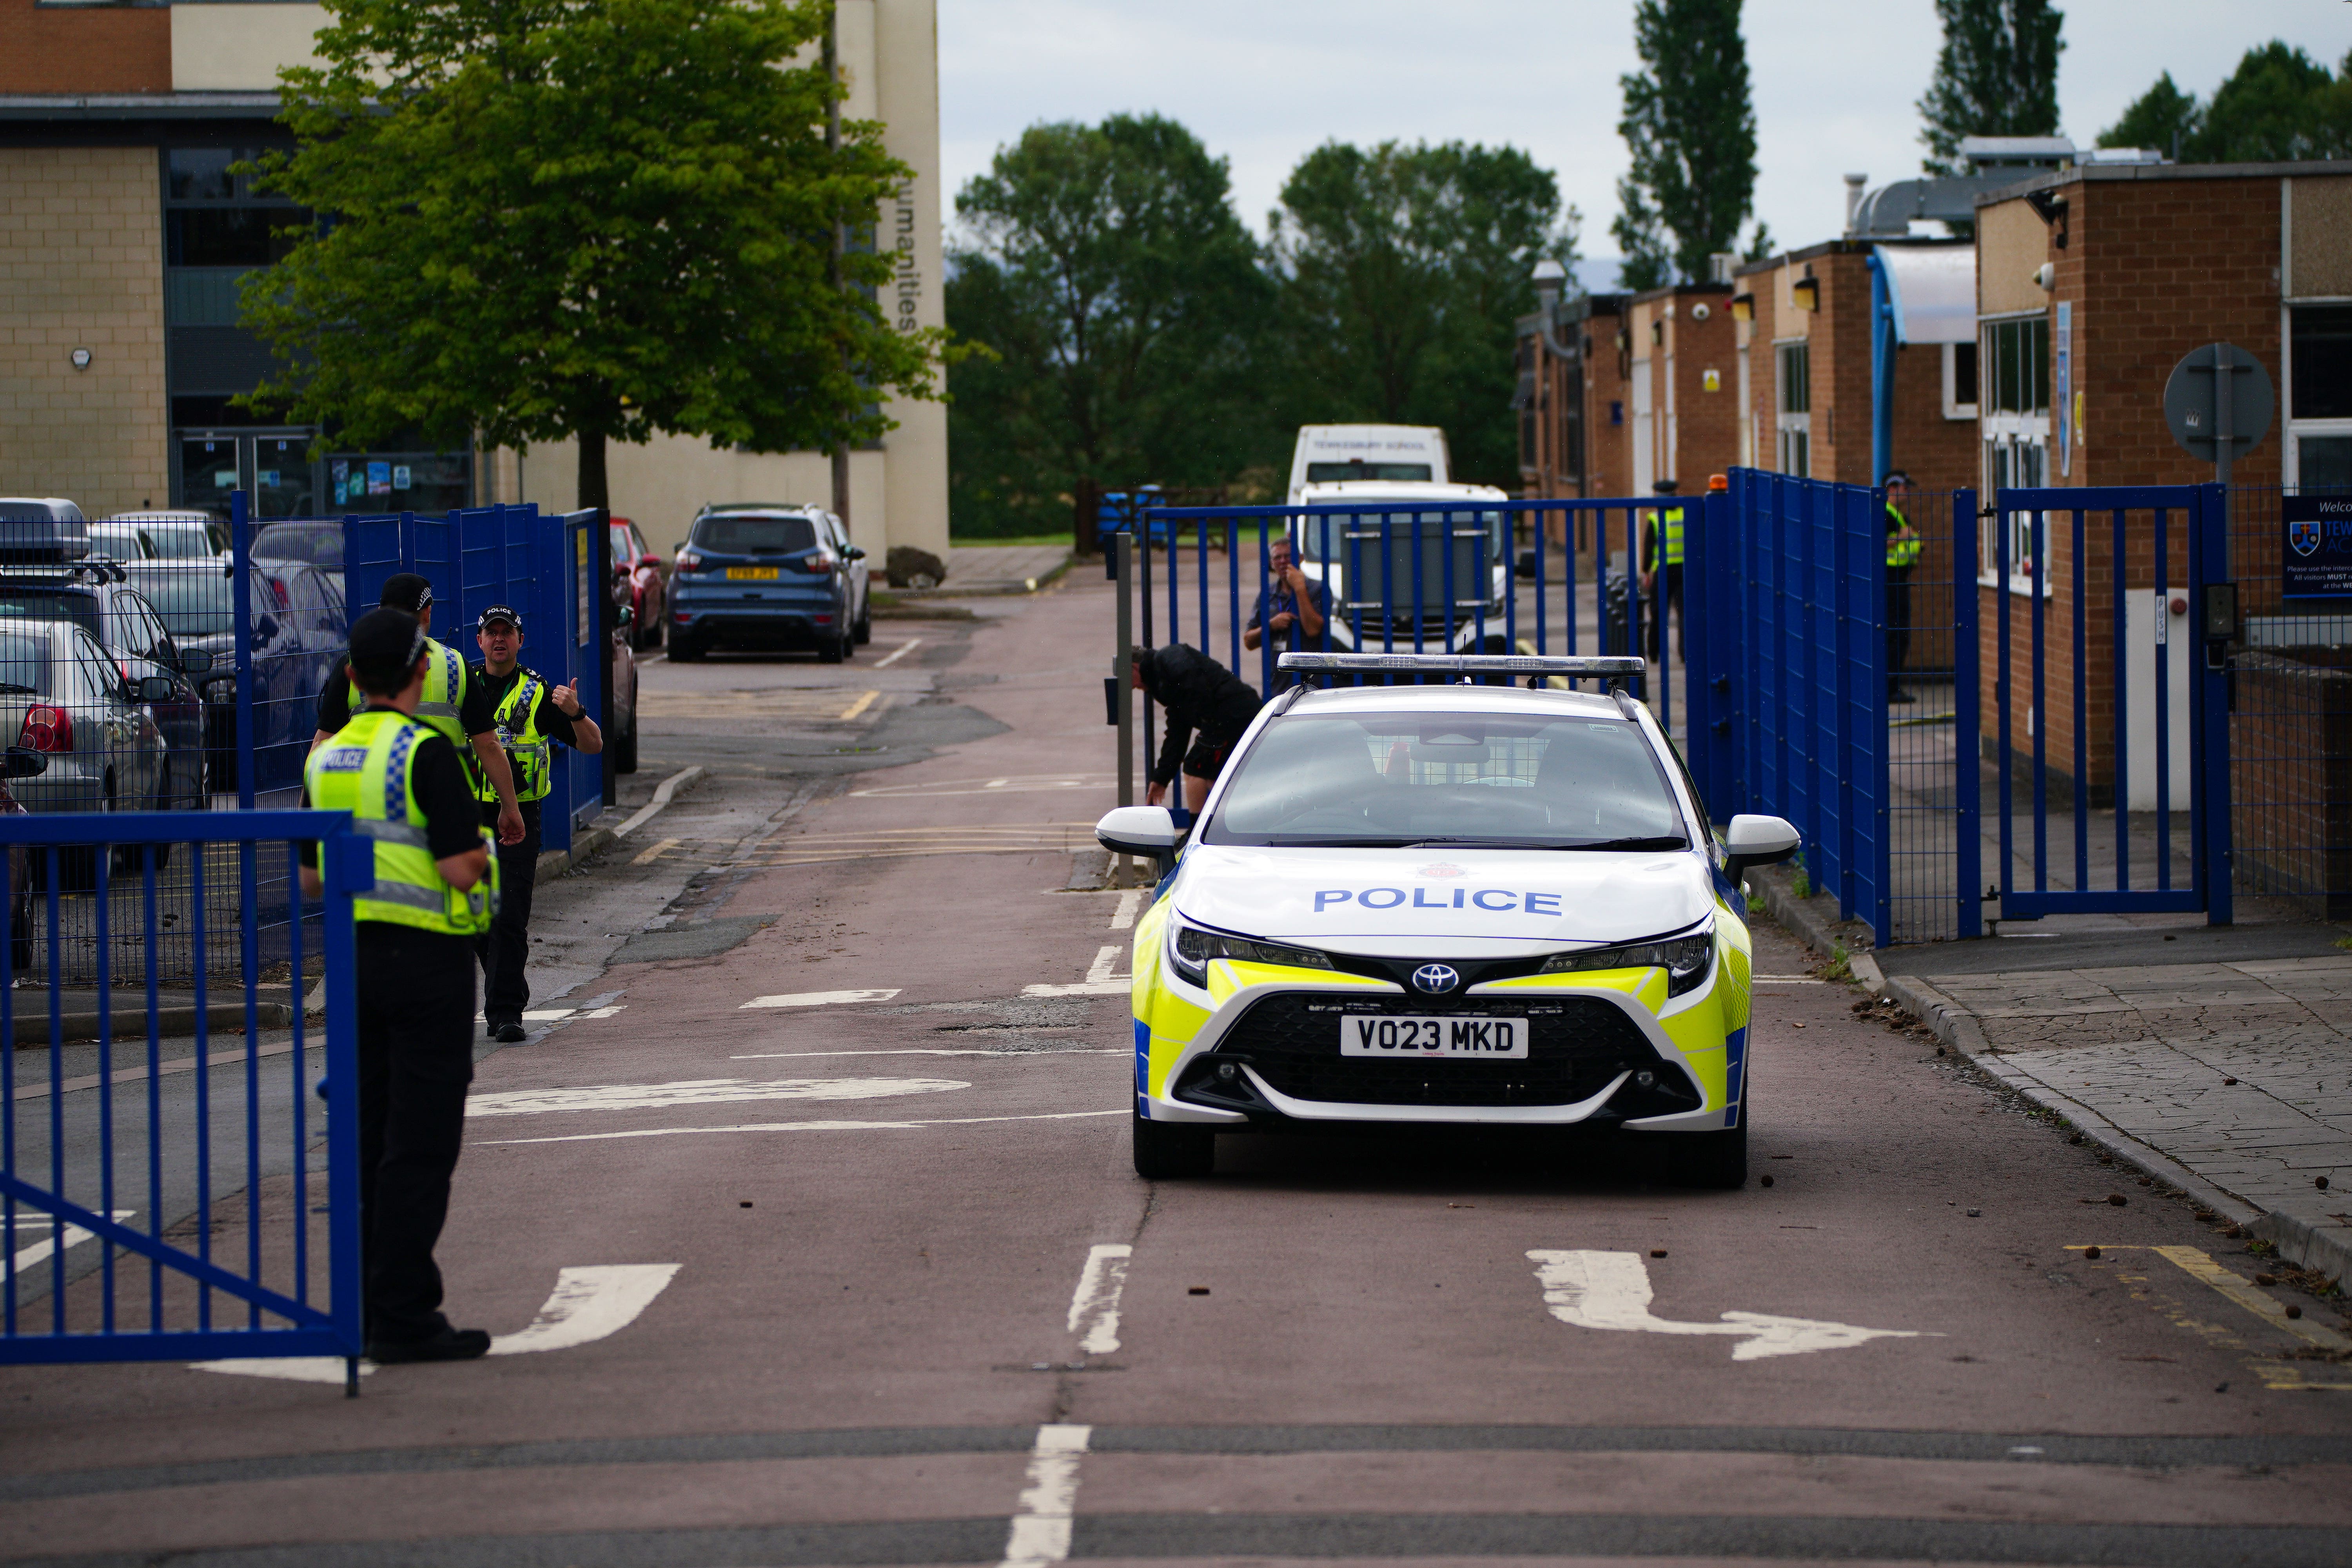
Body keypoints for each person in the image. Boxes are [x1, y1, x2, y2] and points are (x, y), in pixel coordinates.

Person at [300, 607, 499, 1365]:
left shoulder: (327, 760)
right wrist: (481, 851)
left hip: (352, 965)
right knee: (419, 1145)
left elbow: (314, 877)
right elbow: (457, 868)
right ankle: (405, 1314)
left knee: (367, 1137)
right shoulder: (422, 753)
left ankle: (367, 1303)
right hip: (427, 966)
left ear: (352, 678)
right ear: (421, 675)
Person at [312, 573, 525, 851]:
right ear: (427, 613)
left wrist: (313, 820)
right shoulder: (454, 665)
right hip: (445, 805)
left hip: (369, 806)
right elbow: (488, 744)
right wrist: (510, 807)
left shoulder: (355, 663)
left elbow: (322, 744)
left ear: (380, 612)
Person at [469, 604, 601, 1042]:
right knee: (476, 919)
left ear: (520, 641)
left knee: (509, 915)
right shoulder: (463, 686)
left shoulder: (538, 692)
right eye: (493, 633)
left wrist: (577, 711)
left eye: (508, 632)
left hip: (519, 818)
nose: (500, 639)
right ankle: (508, 988)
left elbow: (594, 745)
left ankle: (506, 1013)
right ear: (480, 640)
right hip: (467, 814)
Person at [1131, 643, 1263, 814]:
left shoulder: (1169, 658)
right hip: (1232, 716)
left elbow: (1196, 687)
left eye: (1130, 682)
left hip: (1234, 715)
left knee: (1196, 767)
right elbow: (1177, 733)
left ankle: (1197, 832)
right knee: (1215, 775)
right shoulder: (1161, 680)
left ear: (1134, 668)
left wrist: (1211, 732)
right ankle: (1234, 823)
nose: (1134, 688)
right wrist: (1161, 778)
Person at [1242, 535, 1332, 655]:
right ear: (1272, 564)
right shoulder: (1267, 594)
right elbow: (1249, 642)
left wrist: (1299, 588)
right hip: (1277, 671)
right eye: (1277, 558)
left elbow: (1313, 630)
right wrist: (1271, 625)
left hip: (1309, 671)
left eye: (1288, 556)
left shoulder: (1318, 589)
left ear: (1301, 559)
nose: (1283, 561)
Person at [1884, 470, 1922, 703]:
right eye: (1904, 488)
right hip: (1890, 580)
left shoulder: (1899, 516)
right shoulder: (1885, 514)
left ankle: (1892, 685)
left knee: (1899, 634)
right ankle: (1890, 687)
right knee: (1896, 634)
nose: (1907, 493)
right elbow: (1879, 541)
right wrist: (1902, 537)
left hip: (1900, 578)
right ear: (1892, 488)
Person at [1638, 478, 1685, 662]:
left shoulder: (1655, 518)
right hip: (1684, 570)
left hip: (1663, 571)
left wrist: (1645, 571)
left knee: (1658, 613)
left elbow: (1649, 547)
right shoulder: (1684, 513)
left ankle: (1654, 653)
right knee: (1684, 614)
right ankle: (1685, 653)